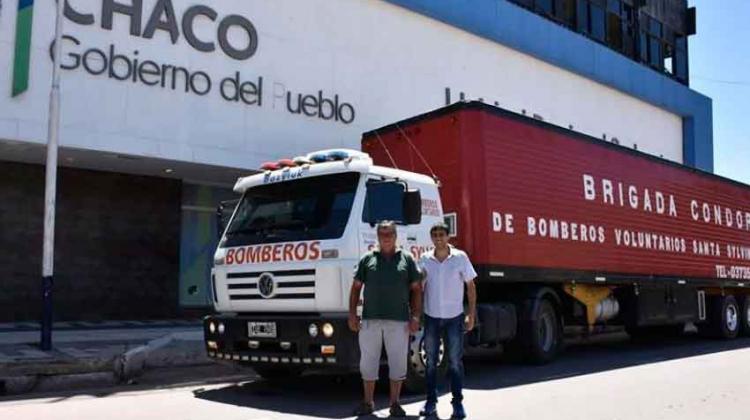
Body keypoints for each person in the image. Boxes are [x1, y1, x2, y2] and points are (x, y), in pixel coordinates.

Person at [348, 220, 422, 417]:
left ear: (396, 236)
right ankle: (368, 402)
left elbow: (416, 289)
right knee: (368, 363)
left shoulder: (406, 259)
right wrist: (352, 314)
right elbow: (355, 288)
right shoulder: (367, 259)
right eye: (382, 235)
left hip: (398, 321)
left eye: (389, 234)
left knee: (398, 362)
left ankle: (395, 404)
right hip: (370, 320)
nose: (386, 238)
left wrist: (415, 316)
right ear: (378, 237)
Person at [418, 222, 477, 419]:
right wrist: (416, 314)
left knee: (454, 362)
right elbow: (419, 287)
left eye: (441, 234)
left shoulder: (460, 258)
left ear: (448, 236)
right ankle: (430, 402)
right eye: (434, 234)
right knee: (431, 361)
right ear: (431, 238)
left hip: (454, 317)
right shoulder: (425, 259)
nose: (438, 238)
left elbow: (470, 286)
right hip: (432, 316)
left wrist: (471, 314)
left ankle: (458, 404)